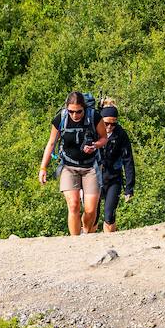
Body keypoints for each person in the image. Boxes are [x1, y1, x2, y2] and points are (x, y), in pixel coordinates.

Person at [38, 92, 101, 235]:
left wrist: (95, 145)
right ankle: (75, 241)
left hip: (91, 167)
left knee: (91, 210)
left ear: (84, 108)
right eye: (71, 111)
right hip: (68, 166)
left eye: (79, 111)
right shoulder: (61, 118)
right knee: (73, 205)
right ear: (67, 109)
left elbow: (104, 138)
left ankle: (86, 232)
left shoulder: (94, 117)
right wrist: (43, 167)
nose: (75, 115)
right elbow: (51, 143)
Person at [92, 104, 135, 232]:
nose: (110, 127)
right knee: (92, 215)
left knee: (109, 215)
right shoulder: (92, 132)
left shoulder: (121, 134)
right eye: (106, 123)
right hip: (93, 179)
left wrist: (129, 188)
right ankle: (86, 240)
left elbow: (128, 161)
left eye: (113, 124)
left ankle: (110, 240)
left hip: (113, 178)